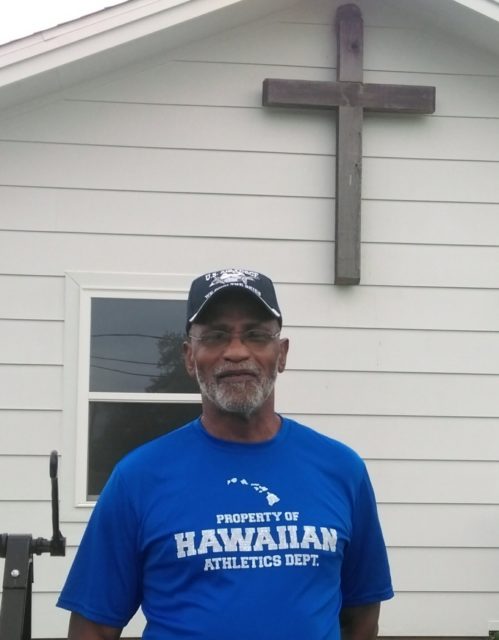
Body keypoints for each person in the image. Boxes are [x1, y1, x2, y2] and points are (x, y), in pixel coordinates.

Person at [57, 268, 393, 640]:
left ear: (280, 354)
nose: (236, 351)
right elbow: (94, 628)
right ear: (189, 357)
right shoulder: (137, 478)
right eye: (215, 336)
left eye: (256, 335)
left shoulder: (342, 470)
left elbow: (361, 618)